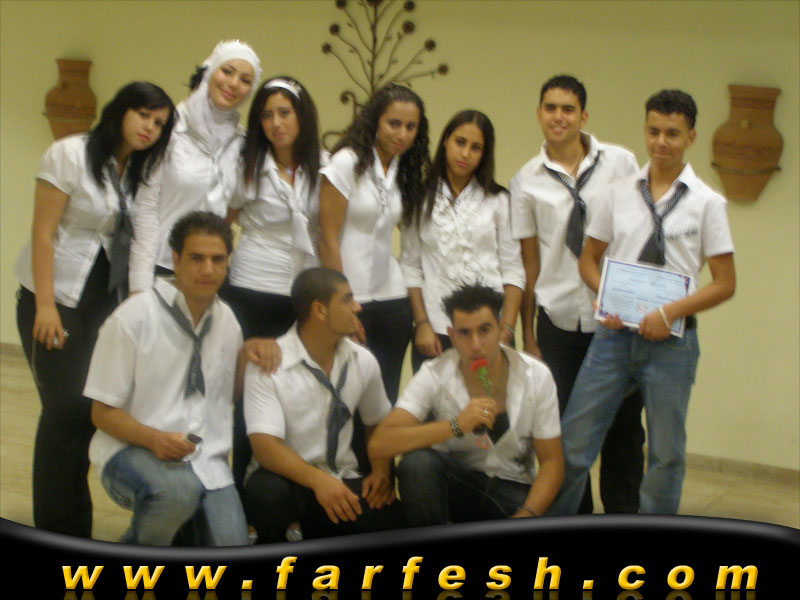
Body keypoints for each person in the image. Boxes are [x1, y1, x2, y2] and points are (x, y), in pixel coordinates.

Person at [549, 89, 736, 515]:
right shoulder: (618, 193)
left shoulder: (708, 203)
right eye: (653, 132)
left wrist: (669, 313)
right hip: (613, 338)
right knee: (574, 443)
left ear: (691, 137)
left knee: (666, 456)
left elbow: (725, 283)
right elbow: (589, 259)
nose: (660, 142)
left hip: (672, 345)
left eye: (672, 133)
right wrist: (606, 298)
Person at [14, 82, 175, 537]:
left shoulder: (136, 170)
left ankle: (71, 521)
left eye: (159, 123)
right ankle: (59, 527)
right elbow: (43, 233)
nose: (149, 127)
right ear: (120, 110)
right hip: (56, 296)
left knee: (88, 410)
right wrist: (46, 305)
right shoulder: (69, 153)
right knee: (63, 410)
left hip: (103, 299)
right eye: (143, 114)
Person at [84, 212, 273, 546]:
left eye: (218, 259)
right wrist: (154, 439)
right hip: (130, 451)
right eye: (196, 258)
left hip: (205, 460)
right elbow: (101, 413)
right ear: (176, 260)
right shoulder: (133, 318)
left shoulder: (227, 322)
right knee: (176, 492)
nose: (208, 269)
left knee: (231, 544)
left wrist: (246, 356)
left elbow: (227, 397)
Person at [510, 74, 645, 514]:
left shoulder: (621, 163)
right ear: (538, 114)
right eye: (550, 108)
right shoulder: (525, 180)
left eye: (568, 109)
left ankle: (624, 516)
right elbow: (529, 263)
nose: (559, 117)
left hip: (616, 321)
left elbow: (639, 231)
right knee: (565, 434)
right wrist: (529, 335)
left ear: (583, 116)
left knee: (624, 431)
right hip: (559, 322)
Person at [368, 284, 563, 526]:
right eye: (464, 333)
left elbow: (552, 463)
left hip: (513, 491)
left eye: (484, 330)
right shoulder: (435, 374)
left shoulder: (536, 375)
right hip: (460, 486)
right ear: (451, 336)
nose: (476, 344)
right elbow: (379, 444)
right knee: (416, 464)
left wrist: (527, 516)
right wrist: (455, 425)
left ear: (501, 328)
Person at [222, 75, 328, 497]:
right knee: (251, 392)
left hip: (303, 292)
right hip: (253, 287)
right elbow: (222, 225)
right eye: (266, 115)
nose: (276, 123)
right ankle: (237, 494)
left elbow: (329, 231)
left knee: (295, 391)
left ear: (302, 117)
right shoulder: (247, 165)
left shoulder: (325, 166)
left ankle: (283, 494)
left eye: (284, 113)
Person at [243, 267, 403, 543]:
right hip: (287, 480)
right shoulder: (271, 362)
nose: (357, 307)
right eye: (347, 299)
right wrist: (317, 480)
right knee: (268, 494)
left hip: (340, 476)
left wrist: (380, 471)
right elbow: (266, 448)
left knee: (394, 520)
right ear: (320, 310)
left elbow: (378, 422)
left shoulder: (363, 360)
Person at [318, 83, 430, 404]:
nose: (402, 134)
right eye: (394, 123)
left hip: (394, 301)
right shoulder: (346, 162)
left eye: (411, 127)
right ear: (375, 121)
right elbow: (326, 238)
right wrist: (344, 304)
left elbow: (411, 238)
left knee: (384, 400)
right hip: (352, 298)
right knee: (344, 399)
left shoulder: (403, 171)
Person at [129, 39, 261, 289]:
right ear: (209, 71)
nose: (234, 83)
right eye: (227, 71)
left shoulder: (241, 143)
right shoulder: (170, 128)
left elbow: (231, 209)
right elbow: (145, 209)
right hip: (160, 266)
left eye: (245, 80)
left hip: (208, 272)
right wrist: (140, 284)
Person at [401, 110, 525, 373]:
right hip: (436, 330)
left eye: (476, 147)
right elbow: (411, 267)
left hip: (490, 330)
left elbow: (513, 269)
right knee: (436, 400)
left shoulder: (499, 200)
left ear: (484, 154)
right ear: (446, 140)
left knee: (488, 399)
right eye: (460, 142)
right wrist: (421, 324)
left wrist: (507, 329)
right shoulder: (419, 199)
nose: (465, 153)